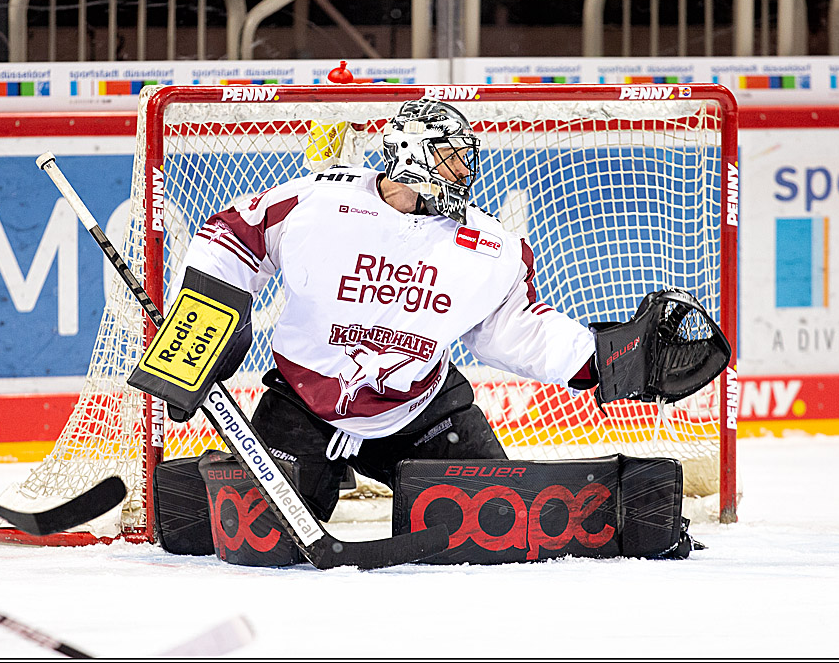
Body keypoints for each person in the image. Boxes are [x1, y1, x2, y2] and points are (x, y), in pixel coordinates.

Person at [173, 98, 599, 521]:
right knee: (248, 531)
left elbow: (513, 326)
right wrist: (199, 328)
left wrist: (594, 359)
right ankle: (227, 471)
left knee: (498, 518)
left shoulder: (488, 244)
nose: (467, 171)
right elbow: (228, 238)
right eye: (453, 157)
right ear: (414, 154)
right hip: (305, 402)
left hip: (419, 412)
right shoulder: (320, 201)